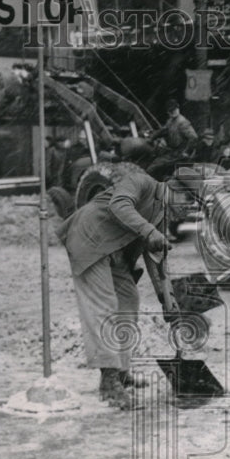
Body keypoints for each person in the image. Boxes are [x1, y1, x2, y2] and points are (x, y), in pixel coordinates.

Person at [57, 137, 172, 409]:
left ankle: (121, 371)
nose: (184, 207)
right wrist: (150, 231)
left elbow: (155, 257)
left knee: (128, 299)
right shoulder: (139, 182)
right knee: (104, 307)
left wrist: (167, 302)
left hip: (113, 251)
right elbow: (119, 206)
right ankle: (108, 383)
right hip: (88, 239)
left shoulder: (164, 211)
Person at [147, 98, 198, 180]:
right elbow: (163, 131)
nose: (173, 112)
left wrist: (187, 152)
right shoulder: (170, 121)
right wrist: (152, 138)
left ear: (178, 108)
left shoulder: (182, 122)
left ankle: (159, 181)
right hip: (173, 150)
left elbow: (194, 138)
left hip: (180, 152)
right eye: (171, 110)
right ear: (168, 112)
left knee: (154, 167)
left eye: (175, 109)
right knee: (155, 157)